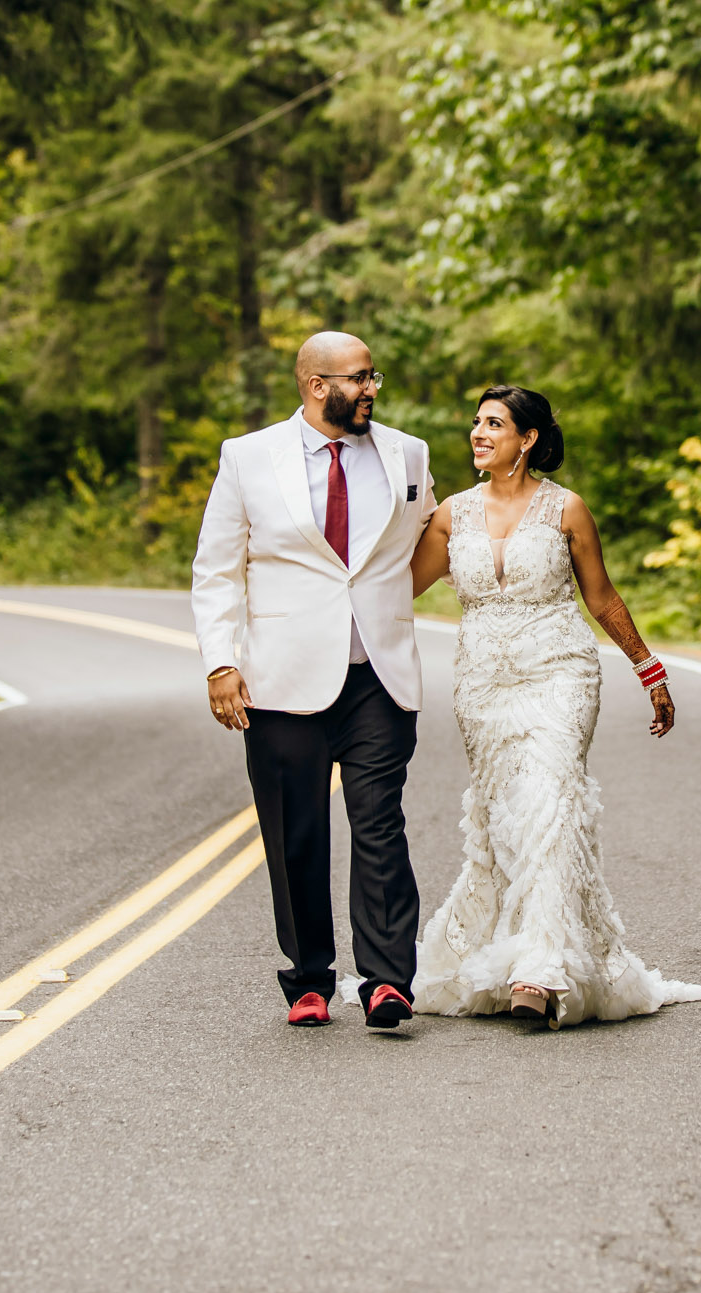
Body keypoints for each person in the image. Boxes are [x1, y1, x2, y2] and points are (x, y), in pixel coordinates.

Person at [404, 385, 701, 1028]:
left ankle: (540, 968)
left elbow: (601, 598)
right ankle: (499, 949)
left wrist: (649, 670)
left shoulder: (566, 509)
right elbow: (394, 594)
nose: (478, 434)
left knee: (551, 797)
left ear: (530, 438)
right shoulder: (449, 516)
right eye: (476, 423)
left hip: (561, 673)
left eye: (495, 424)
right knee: (502, 818)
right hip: (481, 683)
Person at [190, 331, 436, 1030]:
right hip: (281, 680)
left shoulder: (407, 453)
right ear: (314, 384)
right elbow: (216, 568)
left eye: (373, 377)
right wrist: (220, 662)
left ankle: (388, 978)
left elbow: (427, 539)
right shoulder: (246, 458)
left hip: (378, 677)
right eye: (358, 379)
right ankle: (309, 979)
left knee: (379, 824)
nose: (371, 390)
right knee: (295, 831)